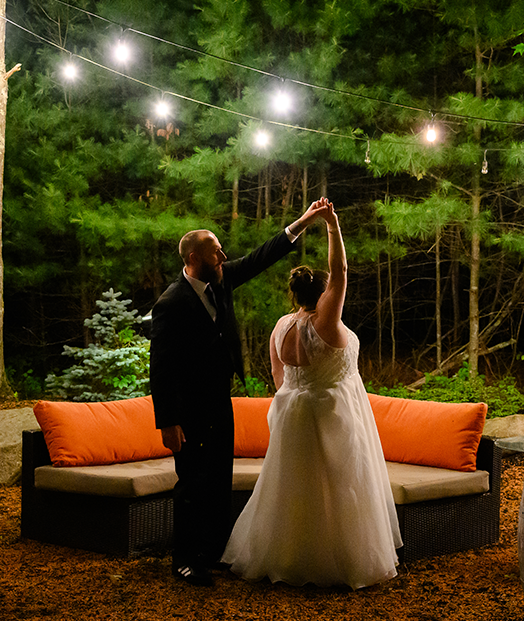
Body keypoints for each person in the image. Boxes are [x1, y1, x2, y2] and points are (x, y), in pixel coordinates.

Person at [150, 200, 333, 587]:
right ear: (196, 256)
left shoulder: (222, 279)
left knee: (218, 479)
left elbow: (262, 256)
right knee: (191, 484)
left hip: (220, 400)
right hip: (188, 408)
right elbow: (161, 368)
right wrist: (167, 421)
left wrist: (303, 222)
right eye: (217, 250)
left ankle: (211, 553)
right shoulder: (170, 303)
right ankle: (184, 559)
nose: (224, 255)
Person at [221, 202, 402, 588]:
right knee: (343, 487)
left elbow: (278, 376)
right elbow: (342, 271)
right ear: (323, 295)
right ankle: (341, 563)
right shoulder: (327, 322)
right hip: (335, 410)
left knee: (293, 490)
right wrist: (332, 225)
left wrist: (292, 403)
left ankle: (288, 557)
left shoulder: (281, 326)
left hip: (292, 411)